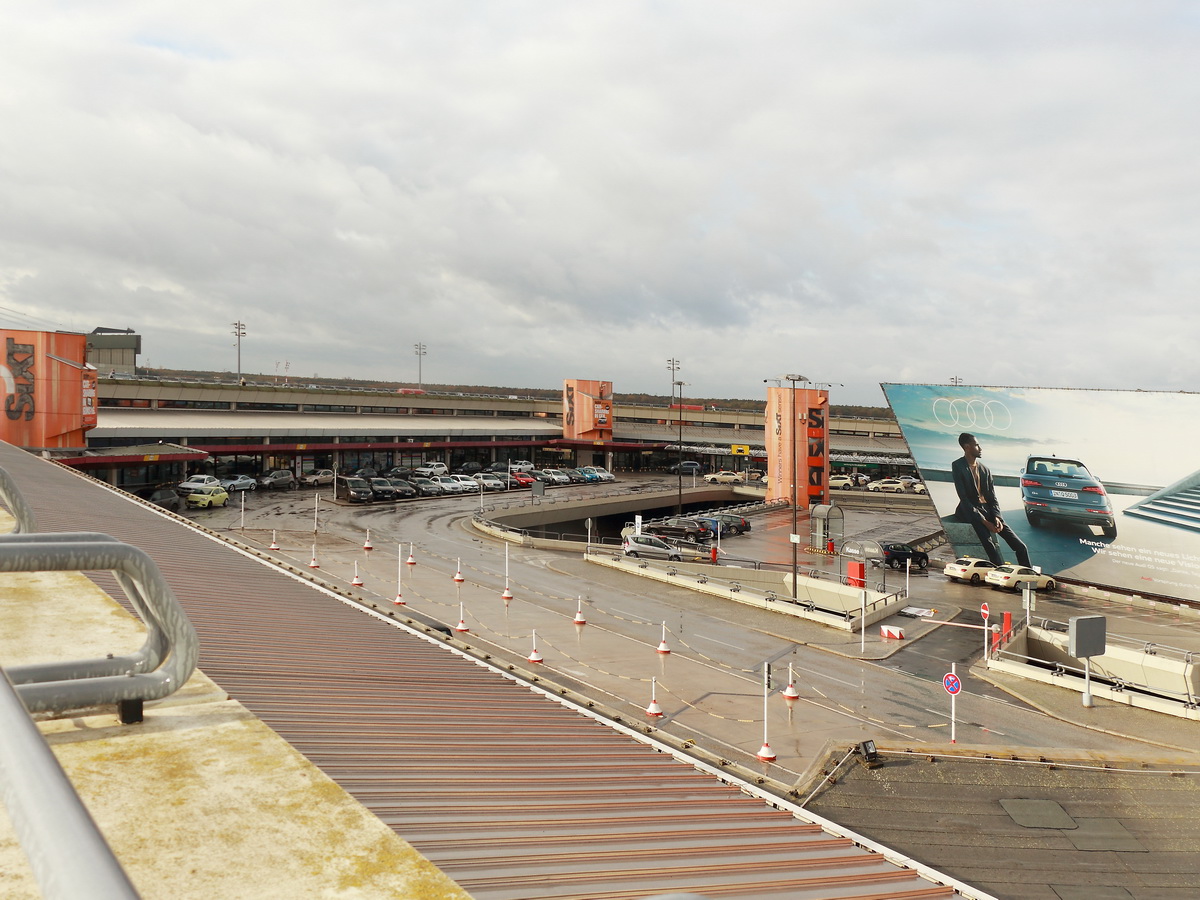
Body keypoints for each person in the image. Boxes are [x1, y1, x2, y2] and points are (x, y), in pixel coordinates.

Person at [951, 432, 1032, 568]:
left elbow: (993, 499)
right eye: (976, 445)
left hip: (988, 510)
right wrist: (985, 522)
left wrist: (997, 518)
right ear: (967, 447)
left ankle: (1030, 580)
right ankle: (1000, 576)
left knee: (1021, 547)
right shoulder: (958, 466)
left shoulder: (985, 470)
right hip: (971, 511)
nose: (980, 448)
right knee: (992, 551)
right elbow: (964, 499)